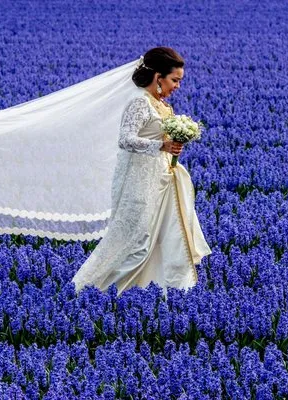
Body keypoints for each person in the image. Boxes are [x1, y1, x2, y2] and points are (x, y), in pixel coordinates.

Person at [71, 47, 212, 294]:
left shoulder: (163, 106)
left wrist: (172, 149)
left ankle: (148, 292)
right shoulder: (140, 103)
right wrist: (162, 145)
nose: (177, 86)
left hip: (159, 179)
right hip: (138, 182)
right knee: (134, 240)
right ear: (159, 77)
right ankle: (93, 290)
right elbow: (125, 139)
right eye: (174, 80)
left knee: (157, 237)